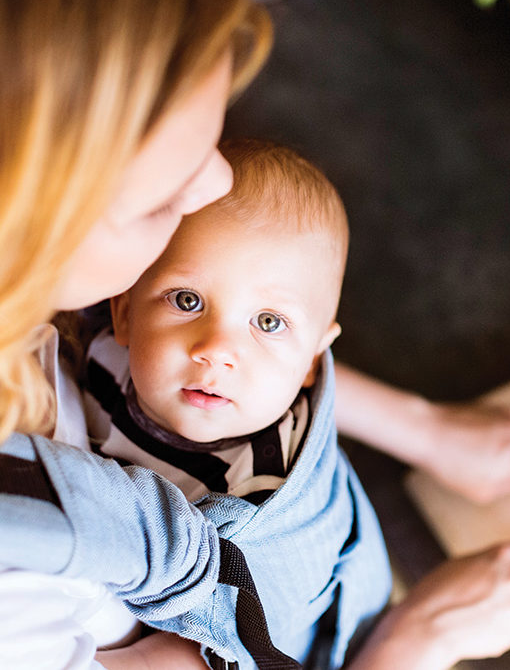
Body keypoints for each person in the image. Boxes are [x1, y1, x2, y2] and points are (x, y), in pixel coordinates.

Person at [0, 0, 510, 668]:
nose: (215, 185)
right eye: (157, 201)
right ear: (18, 228)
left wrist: (425, 426)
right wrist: (416, 639)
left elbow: (227, 351)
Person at [78, 138, 391, 668]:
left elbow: (209, 648)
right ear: (124, 312)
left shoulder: (257, 497)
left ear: (313, 360)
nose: (217, 352)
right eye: (187, 300)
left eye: (268, 322)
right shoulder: (93, 349)